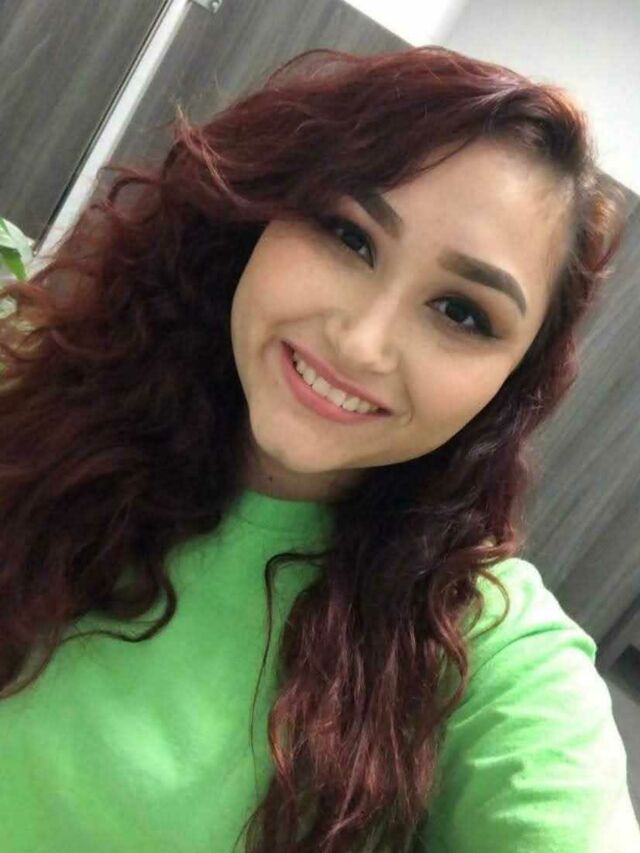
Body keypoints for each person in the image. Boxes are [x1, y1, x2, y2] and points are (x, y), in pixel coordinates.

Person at [0, 44, 637, 853]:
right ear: (263, 211)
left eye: (461, 313)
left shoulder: (479, 641)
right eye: (348, 235)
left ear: (510, 382)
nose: (361, 341)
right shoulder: (55, 391)